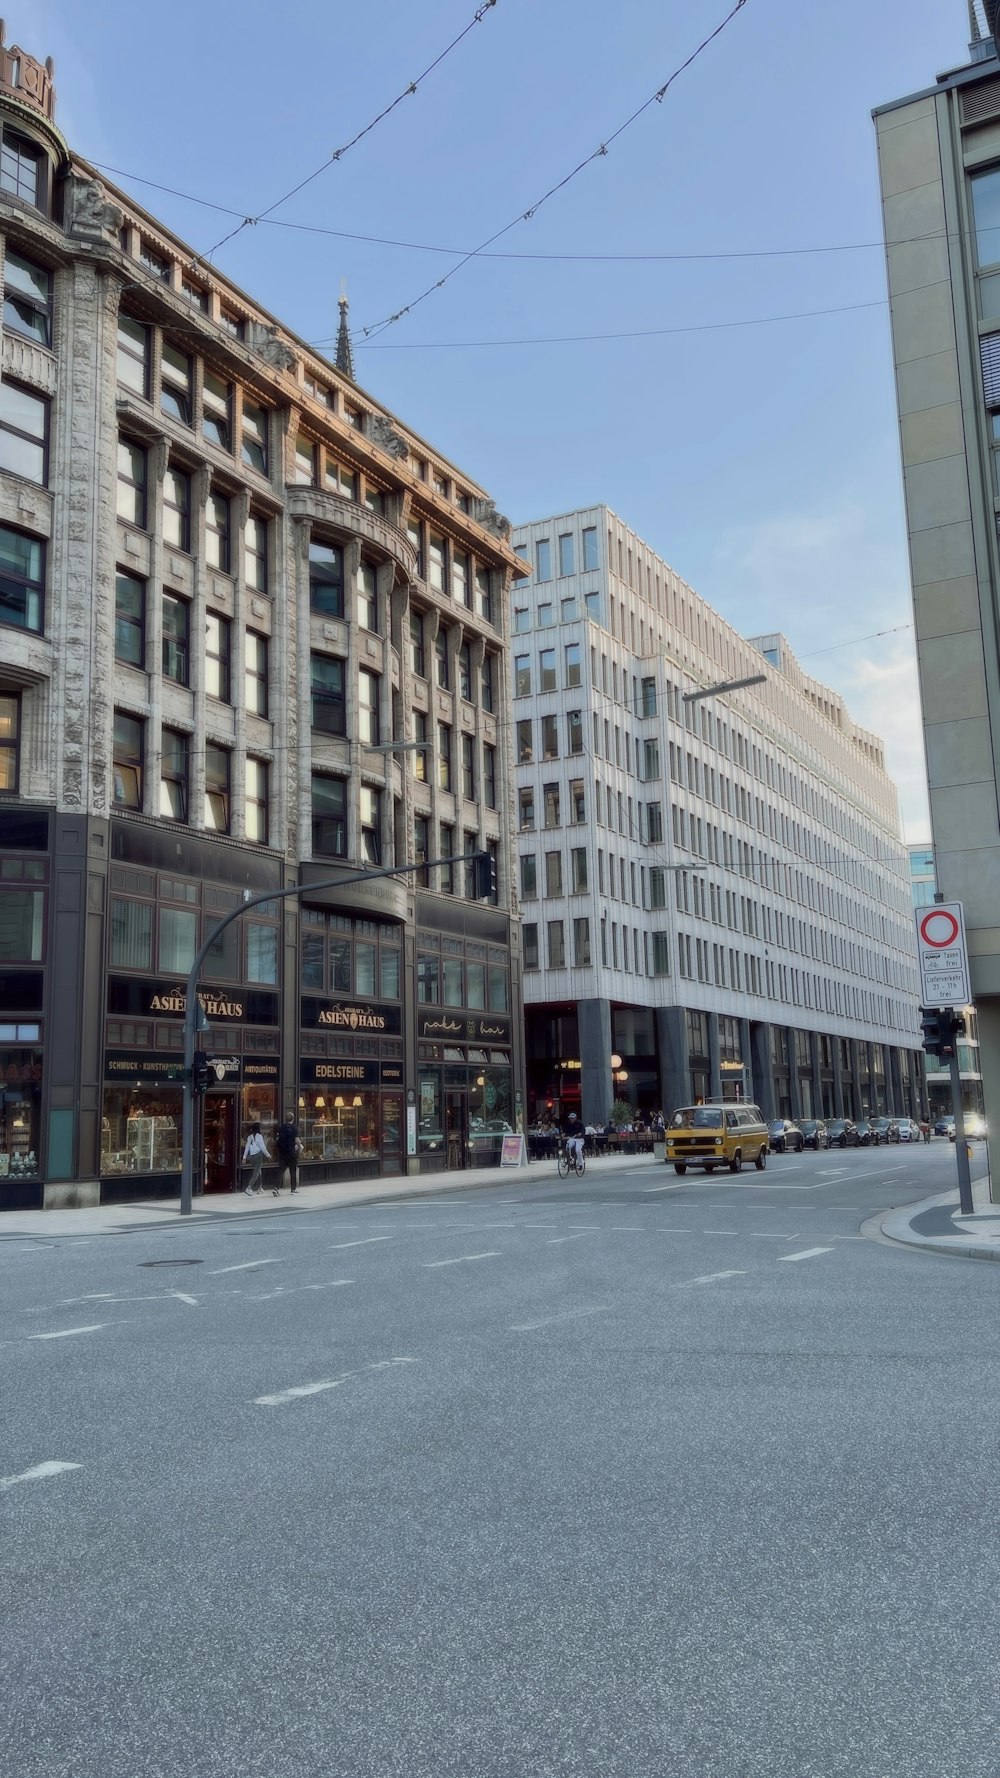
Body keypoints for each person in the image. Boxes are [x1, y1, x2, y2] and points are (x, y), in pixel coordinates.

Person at [275, 1115, 301, 1195]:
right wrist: (299, 1147)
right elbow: (297, 1140)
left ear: (286, 1119)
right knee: (293, 1171)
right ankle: (293, 1189)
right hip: (291, 1152)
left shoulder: (281, 1128)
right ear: (293, 1119)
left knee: (281, 1171)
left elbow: (277, 1139)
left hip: (282, 1153)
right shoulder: (294, 1128)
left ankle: (276, 1188)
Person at [241, 1122, 269, 1195]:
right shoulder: (259, 1136)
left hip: (252, 1156)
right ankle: (249, 1188)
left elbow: (247, 1147)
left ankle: (260, 1187)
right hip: (258, 1155)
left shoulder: (250, 1137)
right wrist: (268, 1155)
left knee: (258, 1170)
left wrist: (244, 1157)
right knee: (256, 1172)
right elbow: (262, 1147)